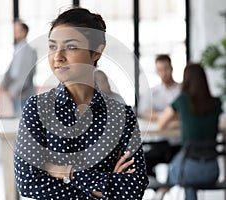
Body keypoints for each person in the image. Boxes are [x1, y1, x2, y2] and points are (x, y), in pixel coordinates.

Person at [14, 7, 148, 199]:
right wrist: (104, 187)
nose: (58, 56)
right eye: (52, 46)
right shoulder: (36, 109)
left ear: (96, 53)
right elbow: (28, 183)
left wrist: (65, 172)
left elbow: (134, 189)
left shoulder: (122, 115)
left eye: (71, 46)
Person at [154, 63, 223, 200]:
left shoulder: (182, 100)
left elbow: (161, 123)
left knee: (176, 170)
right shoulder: (216, 102)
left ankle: (160, 194)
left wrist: (181, 120)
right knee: (187, 178)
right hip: (213, 171)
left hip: (188, 170)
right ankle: (161, 194)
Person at [139, 54, 181, 177]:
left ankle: (164, 189)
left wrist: (164, 116)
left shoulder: (182, 90)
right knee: (142, 162)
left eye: (166, 69)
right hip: (160, 142)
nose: (163, 73)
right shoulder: (153, 92)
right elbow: (145, 112)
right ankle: (160, 189)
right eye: (160, 70)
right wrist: (165, 116)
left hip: (179, 143)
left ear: (172, 68)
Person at [1, 20, 37, 117]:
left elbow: (26, 76)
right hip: (15, 90)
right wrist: (4, 85)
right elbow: (11, 70)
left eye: (18, 30)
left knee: (23, 123)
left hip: (23, 93)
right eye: (14, 30)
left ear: (24, 32)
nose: (15, 33)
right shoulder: (17, 49)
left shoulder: (30, 51)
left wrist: (13, 90)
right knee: (17, 121)